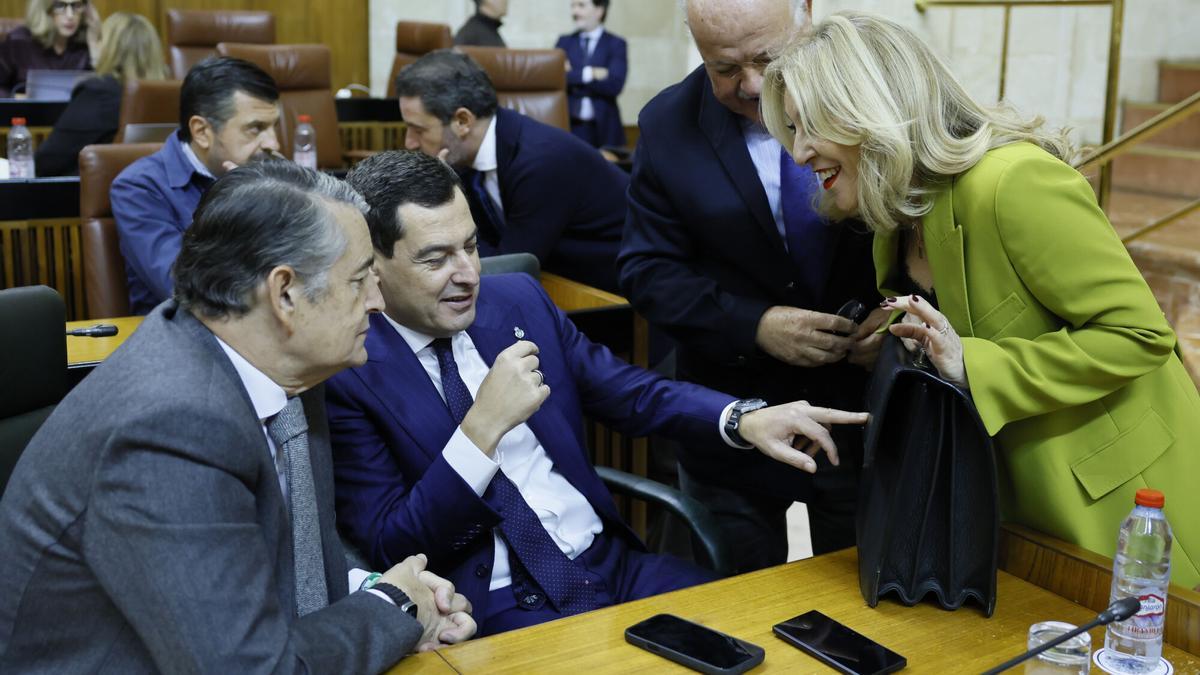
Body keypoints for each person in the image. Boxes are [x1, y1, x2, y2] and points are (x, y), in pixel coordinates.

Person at [328, 150, 869, 635]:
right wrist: (480, 431)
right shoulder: (348, 368)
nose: (469, 273)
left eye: (470, 246)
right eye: (435, 258)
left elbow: (629, 390)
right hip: (491, 608)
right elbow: (391, 544)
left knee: (760, 636)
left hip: (613, 567)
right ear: (375, 265)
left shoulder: (516, 300)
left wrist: (740, 419)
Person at [761, 10, 1200, 589]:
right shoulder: (897, 213)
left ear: (870, 109)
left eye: (809, 125)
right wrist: (899, 335)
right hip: (1005, 499)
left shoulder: (1014, 182)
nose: (798, 153)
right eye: (792, 130)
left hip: (1118, 502)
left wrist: (972, 363)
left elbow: (1139, 335)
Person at [0, 162, 476, 672]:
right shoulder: (168, 426)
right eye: (361, 280)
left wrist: (387, 592)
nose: (378, 303)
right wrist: (394, 611)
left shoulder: (289, 368)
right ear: (285, 294)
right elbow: (250, 668)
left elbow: (296, 558)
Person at [617, 0, 881, 572]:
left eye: (767, 58)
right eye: (724, 69)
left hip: (865, 416)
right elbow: (647, 270)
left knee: (865, 608)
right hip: (735, 419)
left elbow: (920, 230)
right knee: (734, 613)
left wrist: (896, 320)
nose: (753, 85)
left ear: (805, 14)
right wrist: (754, 326)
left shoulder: (871, 98)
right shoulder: (668, 124)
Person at [396, 50, 628, 292]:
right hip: (553, 283)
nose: (409, 142)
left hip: (610, 296)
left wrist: (442, 195)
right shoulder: (466, 157)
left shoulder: (540, 162)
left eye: (418, 130)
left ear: (463, 121)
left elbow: (508, 267)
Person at [110, 56, 281, 315]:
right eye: (255, 128)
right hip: (182, 338)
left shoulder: (274, 171)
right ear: (201, 131)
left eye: (273, 127)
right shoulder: (138, 188)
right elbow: (184, 287)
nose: (273, 143)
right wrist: (246, 205)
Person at [34, 12, 168, 176]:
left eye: (99, 39)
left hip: (88, 195)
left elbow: (46, 161)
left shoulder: (98, 92)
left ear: (110, 48)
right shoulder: (167, 93)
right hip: (153, 192)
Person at [554, 0, 627, 148]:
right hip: (569, 127)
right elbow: (556, 79)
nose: (575, 12)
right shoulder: (564, 42)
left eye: (581, 5)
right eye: (573, 6)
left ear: (599, 11)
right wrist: (590, 73)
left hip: (605, 130)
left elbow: (614, 85)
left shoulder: (616, 44)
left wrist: (573, 76)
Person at [0, 0, 99, 98]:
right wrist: (18, 99)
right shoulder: (19, 41)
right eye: (59, 5)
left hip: (74, 113)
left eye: (76, 5)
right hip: (27, 112)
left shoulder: (86, 44)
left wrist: (94, 45)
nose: (70, 15)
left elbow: (103, 93)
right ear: (43, 9)